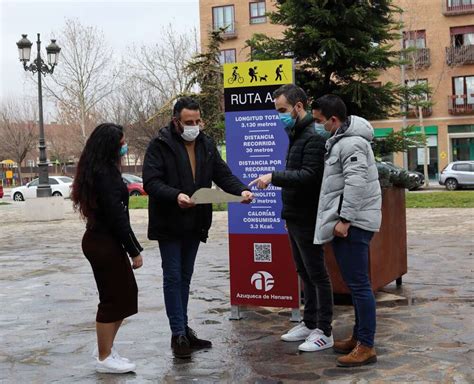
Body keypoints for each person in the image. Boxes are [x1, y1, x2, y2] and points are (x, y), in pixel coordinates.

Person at [142, 97, 253, 359]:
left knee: (185, 276)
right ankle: (178, 333)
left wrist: (242, 190)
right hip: (169, 222)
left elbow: (222, 174)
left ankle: (183, 329)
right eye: (188, 122)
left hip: (195, 222)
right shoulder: (160, 145)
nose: (194, 126)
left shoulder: (206, 143)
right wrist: (176, 195)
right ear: (176, 121)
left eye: (197, 121)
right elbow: (151, 181)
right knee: (173, 276)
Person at [250, 84, 334, 353]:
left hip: (309, 216)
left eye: (283, 110)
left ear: (299, 106)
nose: (280, 116)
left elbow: (309, 175)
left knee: (317, 273)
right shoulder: (296, 133)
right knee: (304, 272)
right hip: (295, 215)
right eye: (277, 111)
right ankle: (309, 323)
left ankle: (325, 330)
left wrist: (273, 177)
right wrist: (287, 214)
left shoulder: (313, 136)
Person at [312, 95, 382, 367]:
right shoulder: (343, 141)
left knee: (360, 286)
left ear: (333, 120)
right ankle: (358, 337)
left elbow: (356, 184)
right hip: (354, 222)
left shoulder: (351, 143)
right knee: (356, 285)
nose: (318, 126)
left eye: (319, 121)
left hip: (354, 224)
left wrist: (345, 219)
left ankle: (366, 346)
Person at [72, 123, 143, 374]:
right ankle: (104, 357)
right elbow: (117, 217)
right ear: (110, 145)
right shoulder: (104, 174)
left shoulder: (101, 170)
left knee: (124, 295)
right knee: (113, 300)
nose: (124, 147)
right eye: (121, 143)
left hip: (105, 241)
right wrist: (134, 250)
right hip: (103, 243)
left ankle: (106, 348)